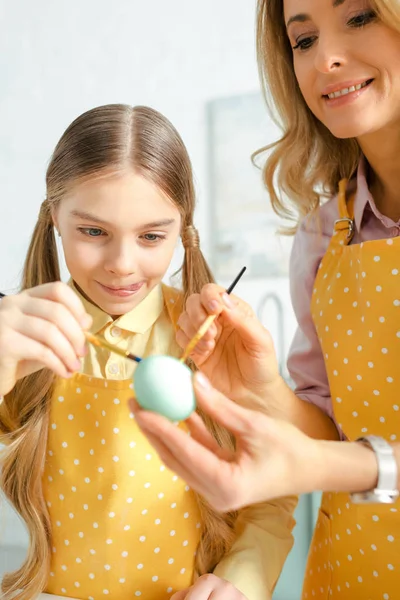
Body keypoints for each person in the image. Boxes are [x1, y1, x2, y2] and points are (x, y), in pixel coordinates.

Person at [132, 0, 400, 598]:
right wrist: (264, 390)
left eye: (359, 17)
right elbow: (332, 431)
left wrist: (323, 469)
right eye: (302, 40)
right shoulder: (322, 235)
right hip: (347, 577)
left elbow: (326, 461)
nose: (326, 59)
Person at [0, 104, 296, 600]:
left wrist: (240, 580)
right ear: (55, 217)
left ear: (182, 229)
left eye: (152, 236)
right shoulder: (21, 336)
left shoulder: (216, 339)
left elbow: (273, 494)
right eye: (93, 232)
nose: (122, 264)